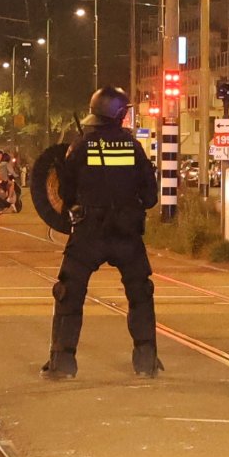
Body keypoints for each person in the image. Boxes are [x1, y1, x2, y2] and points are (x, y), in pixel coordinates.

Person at [43, 88, 163, 380]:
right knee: (140, 293)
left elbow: (65, 192)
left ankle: (63, 363)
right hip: (127, 234)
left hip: (89, 234)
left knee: (69, 293)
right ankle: (146, 361)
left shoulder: (80, 146)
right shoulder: (133, 148)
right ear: (120, 114)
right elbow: (150, 197)